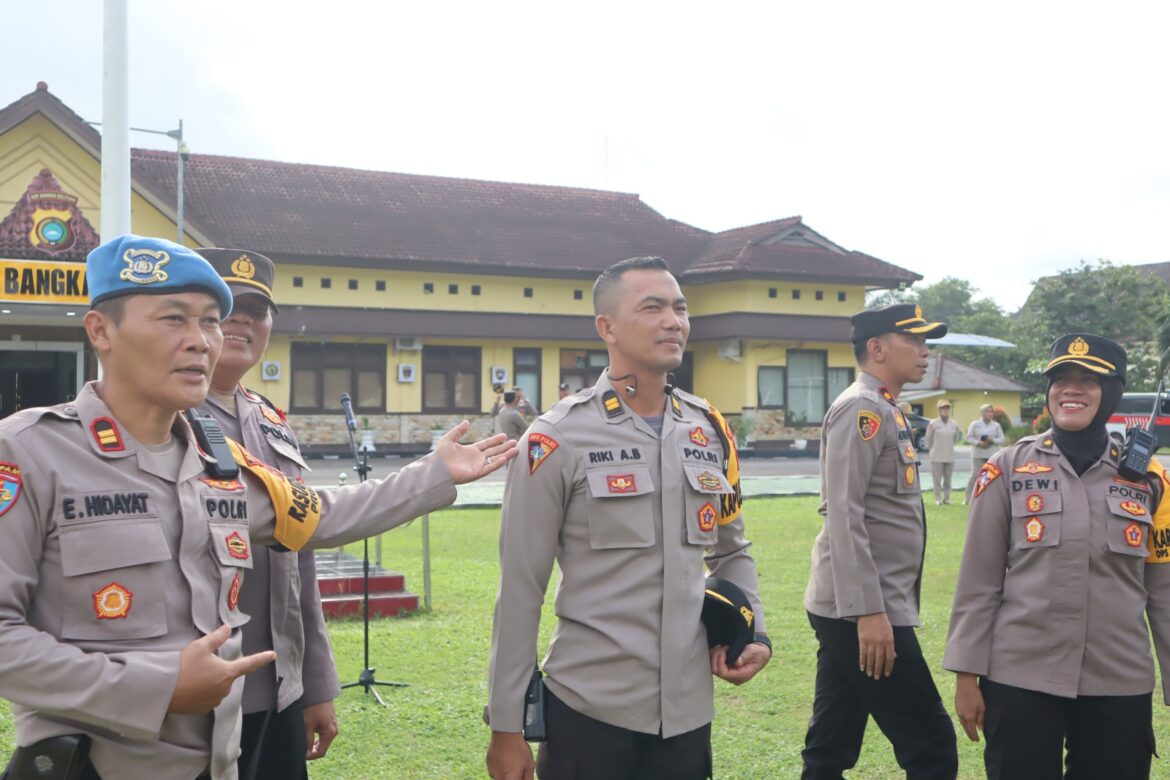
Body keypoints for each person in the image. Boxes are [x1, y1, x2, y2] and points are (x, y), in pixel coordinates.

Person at [0, 235, 516, 780]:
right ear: (101, 330)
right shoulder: (29, 451)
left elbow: (319, 515)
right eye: (174, 320)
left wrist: (434, 473)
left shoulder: (216, 462)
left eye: (208, 322)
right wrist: (157, 687)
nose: (201, 341)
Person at [485, 256, 770, 780]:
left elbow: (730, 549)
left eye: (680, 309)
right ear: (607, 327)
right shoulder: (556, 438)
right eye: (653, 307)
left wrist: (754, 632)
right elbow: (521, 588)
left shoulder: (708, 430)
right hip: (588, 711)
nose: (674, 321)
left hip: (687, 715)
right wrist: (507, 725)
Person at [944, 333, 1170, 779]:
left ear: (1113, 393)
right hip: (1021, 677)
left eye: (1088, 380)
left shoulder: (1151, 479)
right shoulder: (1007, 468)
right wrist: (965, 676)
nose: (1071, 389)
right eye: (1061, 378)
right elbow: (978, 582)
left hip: (1118, 678)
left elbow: (1163, 591)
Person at [195, 248, 338, 778]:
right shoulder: (161, 416)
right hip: (192, 698)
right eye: (225, 306)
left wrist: (315, 685)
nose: (242, 321)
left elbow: (300, 564)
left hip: (277, 692)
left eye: (257, 310)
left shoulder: (271, 421)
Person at [802, 303, 958, 779]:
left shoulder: (886, 405)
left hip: (850, 604)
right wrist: (870, 611)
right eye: (914, 341)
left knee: (832, 742)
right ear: (877, 347)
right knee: (930, 744)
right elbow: (844, 512)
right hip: (864, 608)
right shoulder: (863, 408)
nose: (925, 352)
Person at [964, 403, 1004, 504]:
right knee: (975, 475)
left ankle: (991, 499)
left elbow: (1001, 439)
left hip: (993, 454)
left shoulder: (996, 425)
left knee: (993, 476)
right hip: (978, 453)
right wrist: (978, 443)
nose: (990, 413)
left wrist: (992, 440)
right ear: (982, 413)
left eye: (991, 411)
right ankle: (968, 498)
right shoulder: (975, 424)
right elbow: (968, 437)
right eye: (987, 411)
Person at [925, 399, 962, 505]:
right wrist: (932, 449)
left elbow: (956, 439)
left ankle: (947, 498)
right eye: (943, 408)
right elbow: (928, 439)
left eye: (947, 408)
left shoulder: (954, 424)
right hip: (936, 456)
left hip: (949, 455)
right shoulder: (933, 423)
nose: (945, 411)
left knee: (948, 480)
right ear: (939, 410)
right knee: (937, 480)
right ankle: (938, 499)